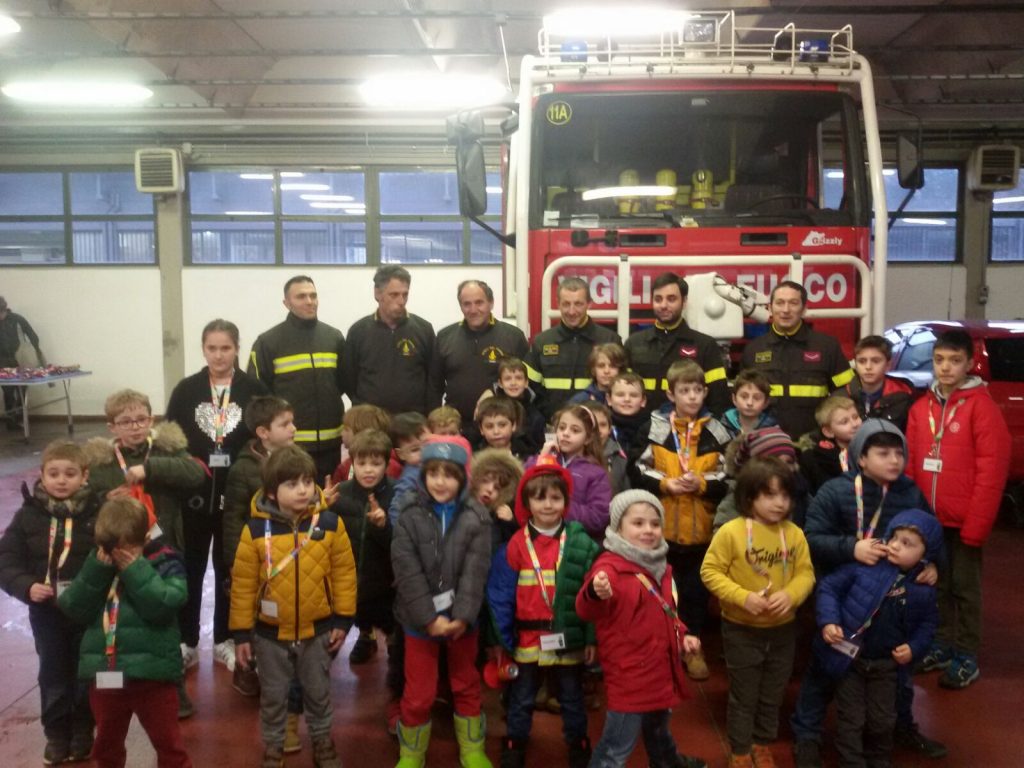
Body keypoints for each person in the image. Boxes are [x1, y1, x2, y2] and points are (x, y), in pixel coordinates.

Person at [793, 419, 942, 767]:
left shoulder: (910, 492)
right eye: (883, 454)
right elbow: (810, 538)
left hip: (892, 603)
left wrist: (934, 563)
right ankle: (807, 734)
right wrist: (851, 548)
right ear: (861, 457)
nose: (894, 460)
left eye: (899, 453)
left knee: (896, 674)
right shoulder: (835, 491)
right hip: (846, 597)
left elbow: (930, 534)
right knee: (826, 668)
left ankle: (902, 727)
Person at [229, 445, 355, 768]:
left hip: (318, 630)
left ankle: (323, 742)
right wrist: (241, 634)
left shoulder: (330, 524)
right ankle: (274, 746)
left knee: (318, 692)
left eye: (307, 482)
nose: (303, 490)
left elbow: (344, 574)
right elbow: (243, 585)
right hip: (270, 634)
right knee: (273, 696)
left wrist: (343, 620)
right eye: (292, 484)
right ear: (272, 492)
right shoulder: (254, 530)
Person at [906, 329, 1011, 690]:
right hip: (931, 520)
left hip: (965, 520)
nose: (946, 368)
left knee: (965, 590)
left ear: (969, 364)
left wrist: (977, 526)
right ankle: (941, 644)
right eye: (939, 360)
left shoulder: (982, 408)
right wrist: (914, 517)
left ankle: (965, 655)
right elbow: (910, 465)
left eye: (954, 361)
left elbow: (992, 470)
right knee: (937, 585)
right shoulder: (921, 408)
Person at [164, 319, 269, 676]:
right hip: (194, 499)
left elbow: (262, 439)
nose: (219, 355)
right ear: (203, 349)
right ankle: (187, 641)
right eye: (212, 348)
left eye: (226, 348)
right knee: (189, 568)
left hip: (236, 499)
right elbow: (171, 440)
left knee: (230, 570)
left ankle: (226, 638)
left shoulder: (254, 390)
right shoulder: (187, 390)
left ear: (237, 348)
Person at [57, 496, 192, 768]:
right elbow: (73, 607)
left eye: (127, 548)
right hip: (106, 674)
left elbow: (164, 606)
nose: (119, 555)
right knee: (106, 745)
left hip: (153, 676)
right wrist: (96, 569)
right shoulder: (99, 562)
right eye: (111, 548)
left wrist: (135, 570)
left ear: (145, 538)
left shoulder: (166, 561)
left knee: (169, 744)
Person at [577, 490, 707, 768]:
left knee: (658, 728)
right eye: (638, 523)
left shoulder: (660, 565)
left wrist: (682, 636)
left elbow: (666, 611)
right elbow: (587, 610)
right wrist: (594, 592)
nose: (648, 530)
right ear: (618, 528)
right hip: (631, 677)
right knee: (616, 747)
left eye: (655, 524)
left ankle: (666, 762)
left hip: (661, 669)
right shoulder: (609, 568)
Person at [701, 457, 815, 768]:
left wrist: (791, 595)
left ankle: (762, 743)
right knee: (744, 694)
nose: (780, 503)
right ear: (749, 497)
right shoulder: (731, 532)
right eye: (770, 495)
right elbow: (710, 572)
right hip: (741, 628)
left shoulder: (794, 533)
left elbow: (806, 574)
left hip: (783, 629)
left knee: (772, 693)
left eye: (785, 495)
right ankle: (739, 750)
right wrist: (742, 597)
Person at [486, 456, 600, 768]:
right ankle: (515, 743)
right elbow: (499, 596)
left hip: (568, 638)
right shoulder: (515, 544)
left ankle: (578, 744)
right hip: (527, 640)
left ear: (566, 501)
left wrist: (591, 638)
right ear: (526, 503)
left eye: (555, 498)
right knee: (521, 697)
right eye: (539, 498)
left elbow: (594, 597)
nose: (548, 505)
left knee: (572, 697)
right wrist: (501, 641)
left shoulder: (581, 542)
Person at [390, 436, 493, 768]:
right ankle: (411, 753)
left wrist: (462, 616)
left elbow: (475, 572)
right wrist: (429, 618)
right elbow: (407, 571)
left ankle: (472, 748)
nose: (440, 481)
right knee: (419, 692)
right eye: (433, 473)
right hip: (419, 622)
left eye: (449, 474)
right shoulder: (408, 514)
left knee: (466, 684)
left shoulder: (477, 516)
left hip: (463, 622)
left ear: (463, 478)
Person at [815, 509, 941, 768]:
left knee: (882, 720)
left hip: (887, 667)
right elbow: (829, 587)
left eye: (907, 543)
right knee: (850, 719)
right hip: (851, 661)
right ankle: (851, 763)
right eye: (894, 537)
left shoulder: (923, 588)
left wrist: (914, 648)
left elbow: (928, 626)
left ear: (925, 555)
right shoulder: (867, 564)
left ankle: (879, 760)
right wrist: (829, 620)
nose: (895, 545)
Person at [0, 440, 100, 765]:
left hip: (88, 612)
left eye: (70, 473)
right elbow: (5, 560)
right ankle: (56, 733)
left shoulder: (99, 513)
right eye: (53, 473)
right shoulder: (28, 516)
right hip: (47, 614)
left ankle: (83, 729)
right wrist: (27, 586)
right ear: (42, 475)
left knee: (87, 671)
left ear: (85, 476)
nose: (61, 480)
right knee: (53, 673)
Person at [630, 360, 731, 680]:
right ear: (670, 394)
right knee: (657, 593)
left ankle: (692, 647)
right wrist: (665, 484)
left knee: (695, 595)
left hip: (701, 531)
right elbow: (637, 469)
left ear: (705, 392)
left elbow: (727, 476)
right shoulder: (654, 427)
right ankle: (658, 649)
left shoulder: (717, 431)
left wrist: (701, 484)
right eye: (684, 391)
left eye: (697, 390)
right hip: (660, 531)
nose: (692, 396)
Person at [221, 395, 297, 701]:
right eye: (285, 424)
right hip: (256, 556)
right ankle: (247, 669)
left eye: (292, 422)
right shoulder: (243, 469)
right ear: (263, 432)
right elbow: (233, 518)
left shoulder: (296, 459)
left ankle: (285, 669)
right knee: (254, 616)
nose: (293, 428)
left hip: (289, 553)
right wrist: (233, 561)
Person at [247, 275, 347, 480]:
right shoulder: (268, 342)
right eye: (301, 296)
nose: (310, 301)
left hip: (331, 443)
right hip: (290, 446)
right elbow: (259, 395)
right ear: (286, 303)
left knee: (328, 496)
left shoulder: (333, 337)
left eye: (313, 295)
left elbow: (345, 382)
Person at [740, 280, 855, 439]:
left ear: (804, 309)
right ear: (770, 308)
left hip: (816, 440)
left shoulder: (827, 346)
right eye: (780, 303)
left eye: (793, 303)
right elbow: (743, 396)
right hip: (766, 441)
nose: (786, 310)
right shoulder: (753, 349)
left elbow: (844, 392)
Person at [624, 272, 730, 415]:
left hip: (690, 426)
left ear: (684, 301)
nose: (663, 305)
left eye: (671, 299)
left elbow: (719, 400)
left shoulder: (705, 345)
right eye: (658, 299)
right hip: (642, 426)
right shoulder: (633, 343)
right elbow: (623, 391)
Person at [333, 429, 396, 667]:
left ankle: (393, 642)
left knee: (393, 630)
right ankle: (366, 636)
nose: (368, 470)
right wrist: (321, 508)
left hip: (386, 581)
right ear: (352, 463)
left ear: (386, 464)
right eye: (362, 463)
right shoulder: (340, 493)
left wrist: (383, 526)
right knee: (358, 613)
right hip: (349, 578)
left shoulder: (397, 493)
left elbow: (401, 543)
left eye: (376, 463)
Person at [344, 265, 441, 416]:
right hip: (371, 420)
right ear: (378, 293)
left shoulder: (424, 329)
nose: (401, 301)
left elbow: (434, 380)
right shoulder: (358, 331)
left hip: (412, 421)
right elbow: (349, 379)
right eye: (394, 295)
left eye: (405, 294)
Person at [524, 277, 621, 421]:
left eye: (578, 304)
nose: (571, 311)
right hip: (554, 424)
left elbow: (620, 386)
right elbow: (530, 387)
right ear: (558, 304)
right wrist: (551, 416)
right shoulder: (542, 342)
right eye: (566, 304)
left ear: (589, 304)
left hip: (597, 425)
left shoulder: (609, 340)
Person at [435, 280, 528, 425]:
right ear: (460, 306)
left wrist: (494, 391)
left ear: (491, 303)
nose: (473, 310)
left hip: (499, 427)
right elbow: (435, 386)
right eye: (467, 304)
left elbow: (526, 384)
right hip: (456, 425)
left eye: (479, 303)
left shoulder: (514, 336)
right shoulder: (444, 337)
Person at [525, 404, 613, 541]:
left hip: (574, 541)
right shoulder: (541, 459)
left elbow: (598, 516)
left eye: (575, 430)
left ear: (588, 438)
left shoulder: (596, 473)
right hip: (537, 536)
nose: (565, 433)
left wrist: (561, 507)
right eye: (562, 428)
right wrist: (542, 459)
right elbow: (523, 489)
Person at [714, 427, 808, 532]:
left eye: (789, 462)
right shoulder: (734, 503)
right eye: (774, 461)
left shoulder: (802, 495)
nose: (783, 467)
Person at [838, 335, 915, 432]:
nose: (868, 367)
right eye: (862, 361)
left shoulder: (904, 398)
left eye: (875, 361)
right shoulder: (841, 397)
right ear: (855, 365)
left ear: (888, 365)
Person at [478, 357, 546, 454]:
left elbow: (538, 448)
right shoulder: (489, 407)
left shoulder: (535, 417)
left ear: (526, 382)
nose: (513, 383)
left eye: (518, 378)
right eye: (508, 379)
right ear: (500, 383)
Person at [798, 396, 863, 495]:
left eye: (856, 417)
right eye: (844, 422)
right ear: (828, 431)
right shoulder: (815, 460)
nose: (854, 424)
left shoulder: (872, 450)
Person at [0, 295, 46, 428]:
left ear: (4, 309)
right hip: (2, 360)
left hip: (20, 358)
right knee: (8, 390)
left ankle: (18, 417)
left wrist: (34, 352)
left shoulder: (18, 319)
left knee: (22, 389)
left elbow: (33, 336)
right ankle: (11, 420)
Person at [470, 448, 523, 552]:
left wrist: (510, 523)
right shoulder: (460, 506)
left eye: (497, 488)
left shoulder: (500, 517)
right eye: (485, 481)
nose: (490, 489)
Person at [333, 404, 401, 484]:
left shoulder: (391, 467)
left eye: (346, 429)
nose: (342, 433)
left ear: (361, 433)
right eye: (361, 463)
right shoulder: (345, 465)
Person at [386, 412, 430, 526]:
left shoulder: (438, 462)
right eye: (415, 450)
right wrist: (404, 532)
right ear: (401, 454)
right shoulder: (410, 479)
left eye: (427, 444)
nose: (424, 452)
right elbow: (396, 510)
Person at [581, 400, 628, 494]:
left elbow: (626, 495)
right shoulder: (567, 456)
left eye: (603, 425)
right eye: (591, 424)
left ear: (609, 429)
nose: (597, 430)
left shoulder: (619, 458)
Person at [721, 369, 777, 440]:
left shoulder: (773, 433)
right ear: (734, 399)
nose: (749, 403)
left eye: (757, 398)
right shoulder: (721, 428)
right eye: (744, 397)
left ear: (766, 402)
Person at [568, 342, 627, 406]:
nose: (606, 371)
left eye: (612, 366)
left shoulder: (628, 401)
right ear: (593, 370)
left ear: (621, 370)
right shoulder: (579, 402)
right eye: (601, 366)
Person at [607, 371, 649, 458]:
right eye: (620, 395)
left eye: (633, 395)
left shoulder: (652, 431)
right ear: (609, 399)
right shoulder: (602, 428)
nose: (627, 399)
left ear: (643, 401)